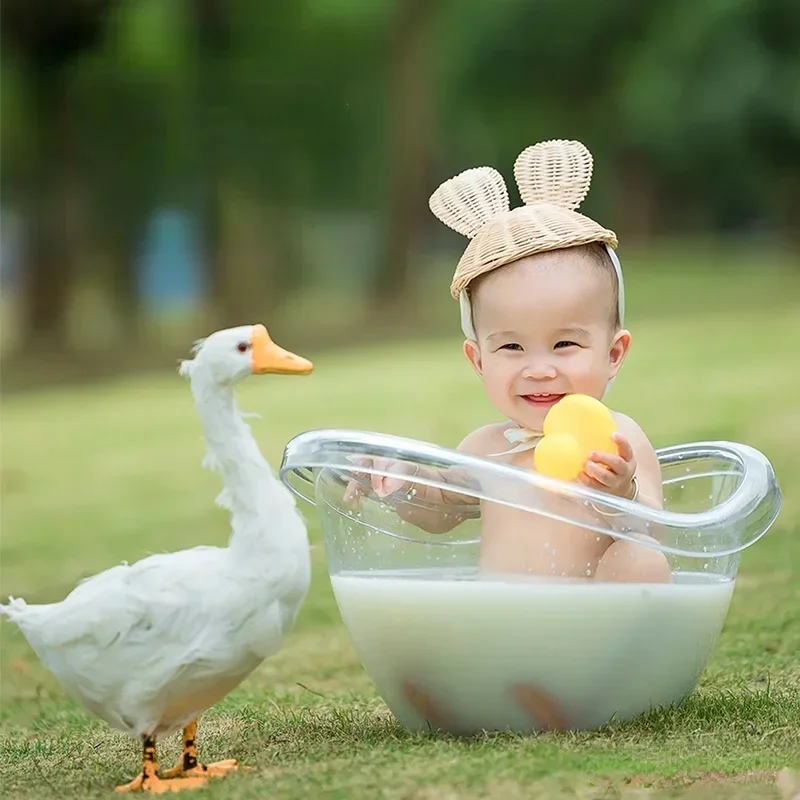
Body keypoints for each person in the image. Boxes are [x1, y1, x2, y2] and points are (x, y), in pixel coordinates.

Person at [345, 139, 671, 583]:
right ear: (478, 361)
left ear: (613, 354)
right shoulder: (486, 449)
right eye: (512, 348)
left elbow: (657, 531)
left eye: (564, 345)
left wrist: (620, 492)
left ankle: (625, 651)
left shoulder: (617, 441)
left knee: (642, 561)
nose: (538, 369)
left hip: (594, 631)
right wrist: (397, 482)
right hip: (506, 628)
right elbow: (440, 511)